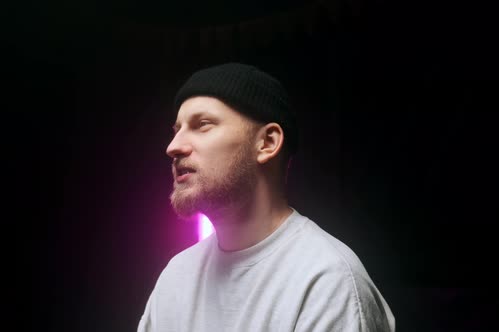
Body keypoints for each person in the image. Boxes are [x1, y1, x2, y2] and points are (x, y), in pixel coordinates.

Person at [138, 63, 395, 331]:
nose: (173, 147)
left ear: (268, 143)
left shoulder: (326, 281)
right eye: (176, 130)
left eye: (202, 125)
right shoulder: (176, 276)